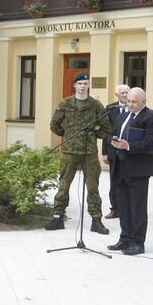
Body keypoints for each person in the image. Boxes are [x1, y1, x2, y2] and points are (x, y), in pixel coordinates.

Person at [45, 72, 112, 234]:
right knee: (63, 186)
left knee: (93, 187)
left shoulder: (95, 105)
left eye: (85, 83)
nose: (82, 86)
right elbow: (54, 124)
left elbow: (107, 128)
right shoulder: (66, 103)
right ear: (74, 85)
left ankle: (96, 220)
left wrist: (94, 133)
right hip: (69, 151)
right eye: (80, 83)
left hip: (89, 151)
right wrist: (67, 134)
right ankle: (58, 216)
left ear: (89, 86)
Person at [107, 87, 153, 255]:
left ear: (143, 102)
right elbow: (111, 134)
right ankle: (125, 238)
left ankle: (137, 242)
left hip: (138, 168)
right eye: (128, 101)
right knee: (122, 205)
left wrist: (128, 145)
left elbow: (151, 142)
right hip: (119, 166)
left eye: (134, 102)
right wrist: (113, 141)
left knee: (137, 206)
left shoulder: (152, 116)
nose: (130, 104)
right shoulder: (122, 116)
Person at [102, 84, 130, 219]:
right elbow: (105, 131)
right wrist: (104, 152)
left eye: (126, 93)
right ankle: (115, 209)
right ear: (117, 95)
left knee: (128, 180)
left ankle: (127, 208)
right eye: (122, 93)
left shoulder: (133, 107)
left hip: (129, 151)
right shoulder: (110, 109)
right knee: (114, 181)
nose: (125, 95)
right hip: (113, 151)